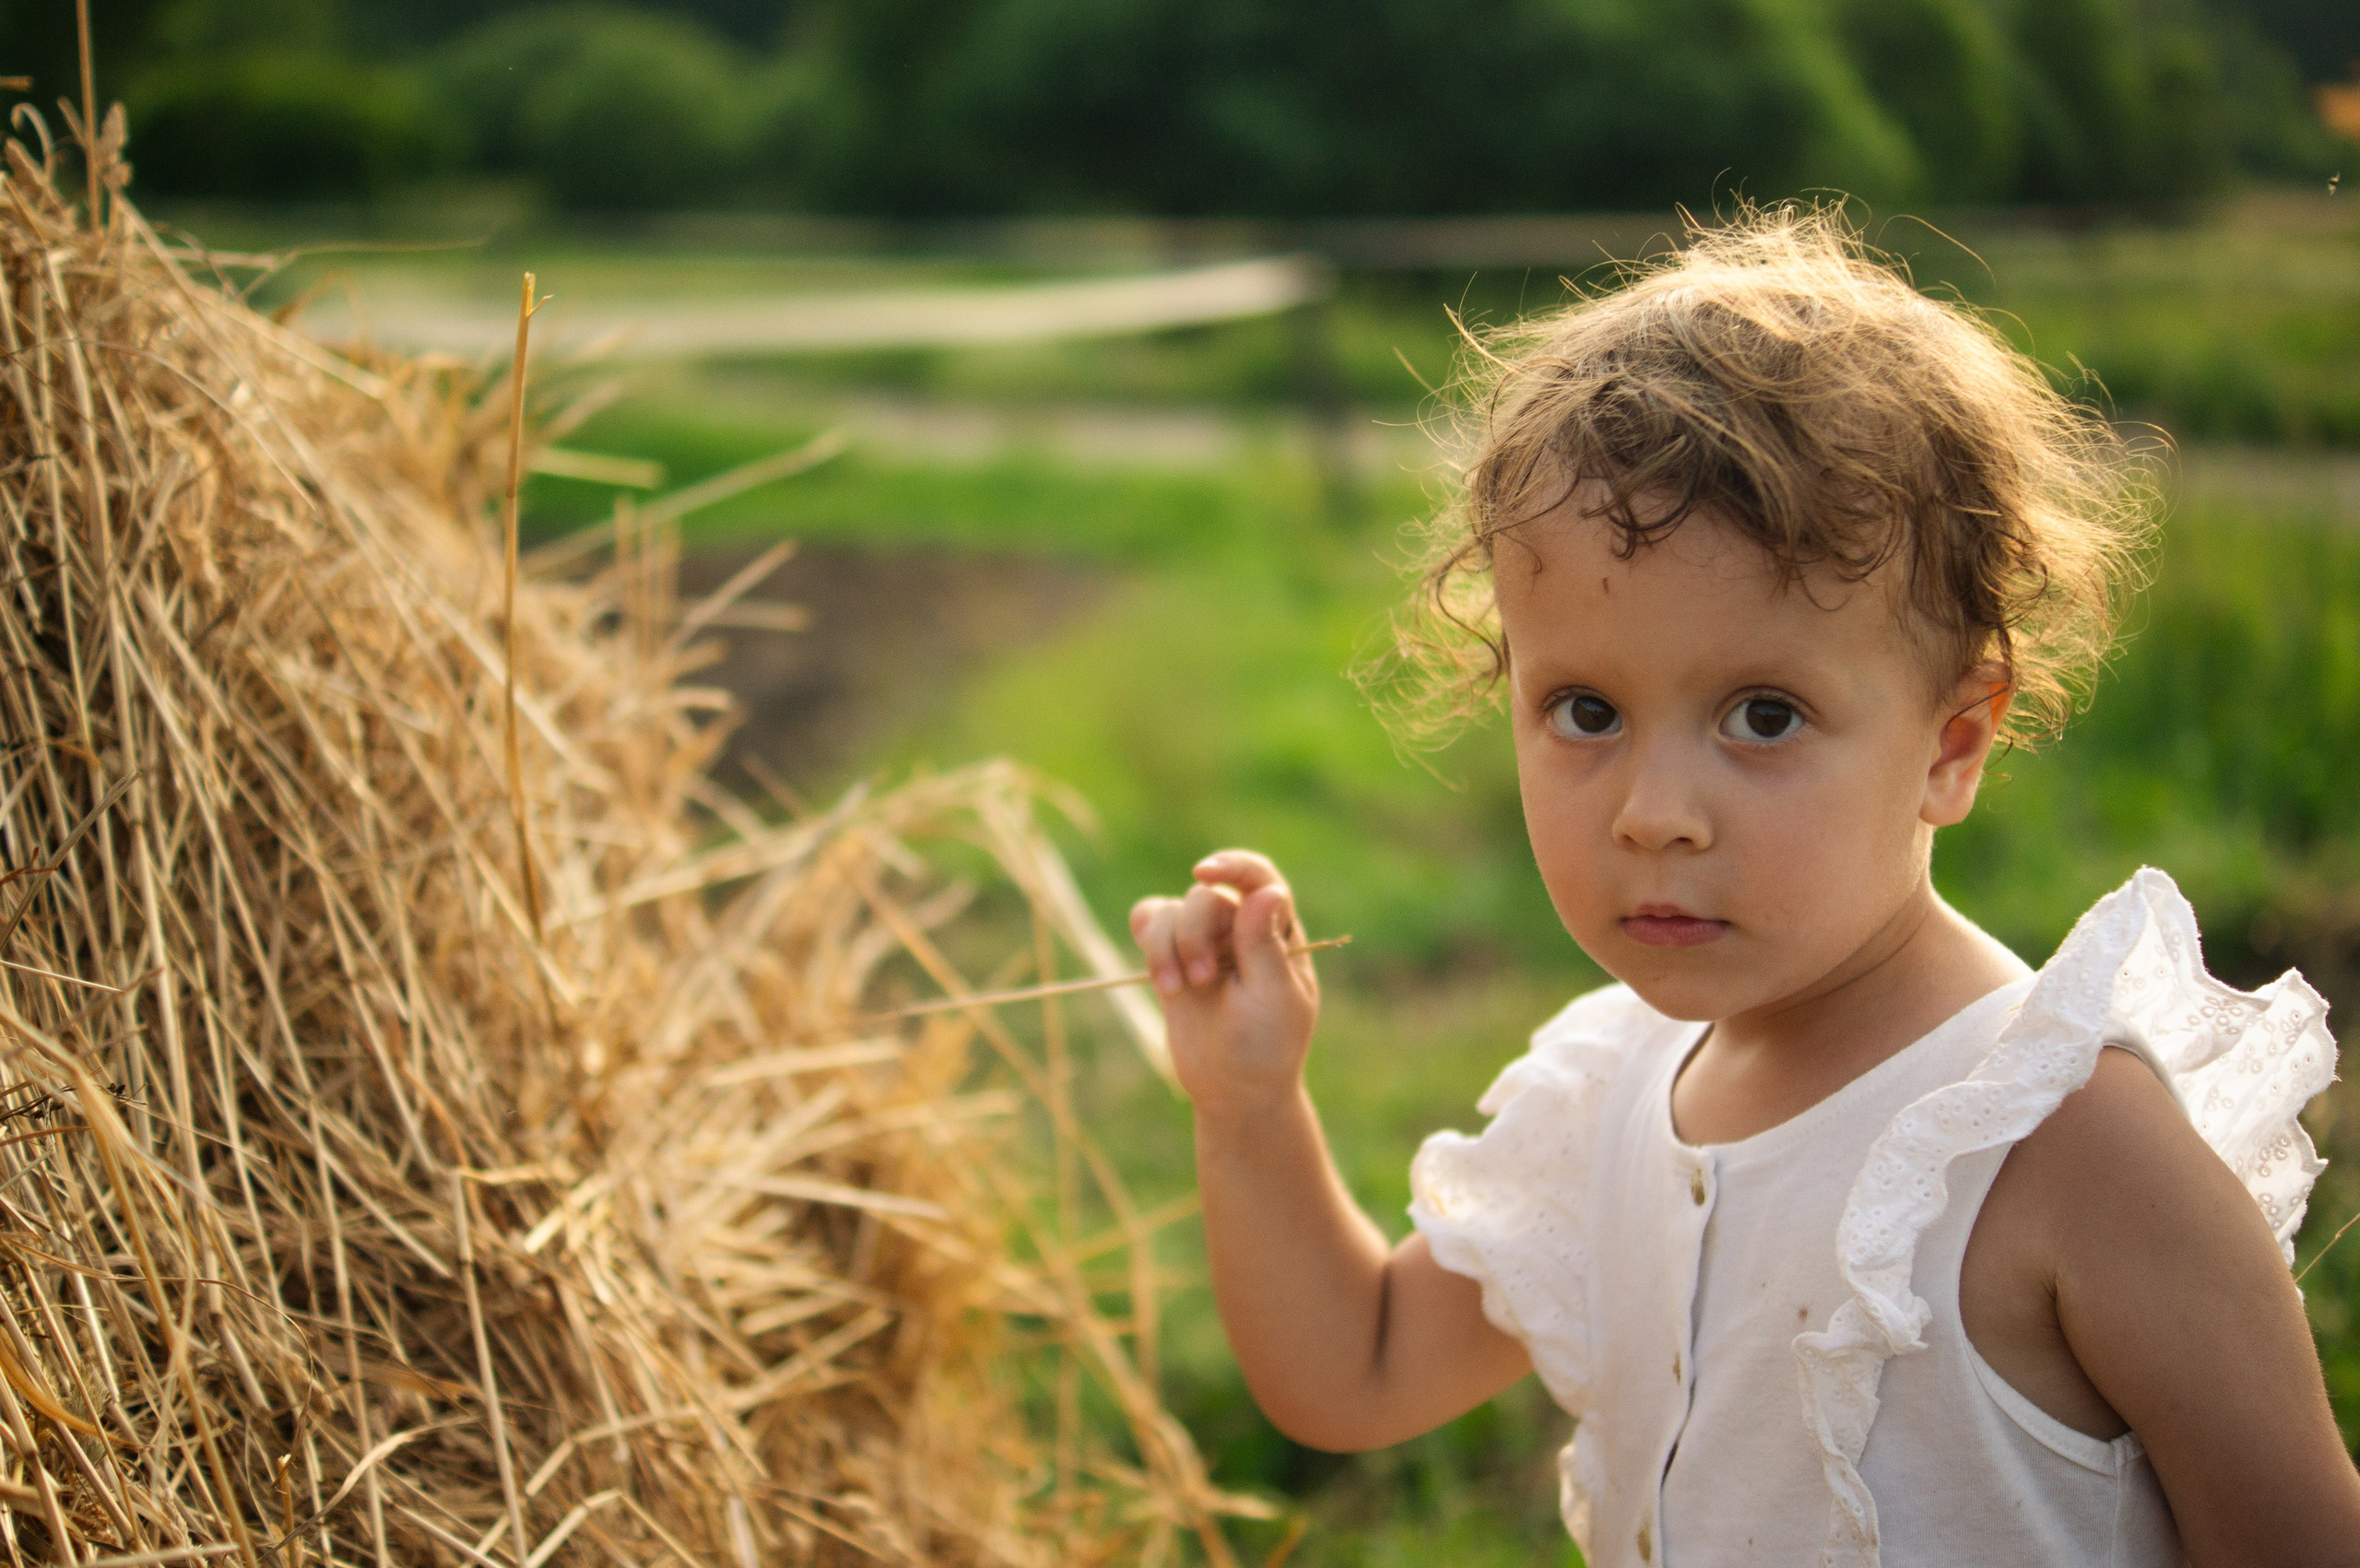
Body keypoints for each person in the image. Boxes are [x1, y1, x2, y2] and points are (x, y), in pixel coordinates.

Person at [1127, 208, 2360, 1567]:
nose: (1654, 814)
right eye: (1586, 709)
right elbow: (1353, 1368)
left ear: (1953, 742)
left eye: (1763, 717)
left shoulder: (2061, 1145)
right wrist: (1250, 1102)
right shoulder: (1605, 1096)